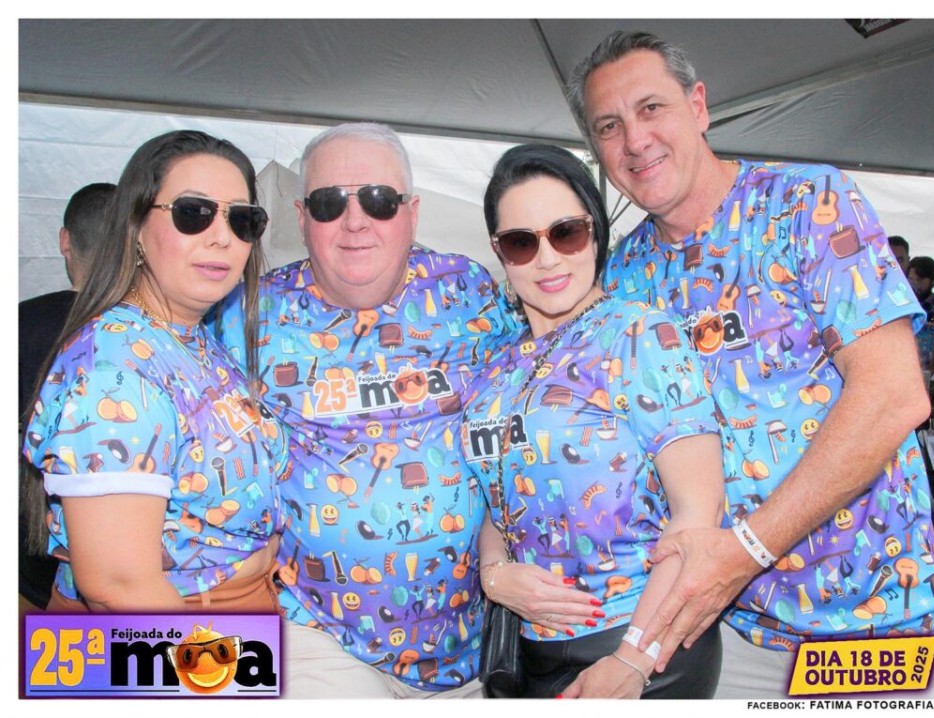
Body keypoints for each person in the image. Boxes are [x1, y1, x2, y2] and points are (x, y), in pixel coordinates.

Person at [569, 30, 934, 697]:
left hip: (874, 624)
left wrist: (745, 552)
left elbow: (894, 395)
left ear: (698, 106)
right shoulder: (621, 278)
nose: (635, 140)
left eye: (651, 108)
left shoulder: (807, 204)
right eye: (608, 126)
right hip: (724, 633)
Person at [215, 122, 516, 698]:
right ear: (302, 217)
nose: (355, 221)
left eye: (378, 200)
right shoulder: (246, 316)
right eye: (329, 203)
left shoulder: (468, 293)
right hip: (317, 636)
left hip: (467, 646)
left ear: (412, 213)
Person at [462, 144, 725, 699]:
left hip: (645, 647)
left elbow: (699, 514)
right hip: (527, 653)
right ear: (500, 252)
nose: (547, 259)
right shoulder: (496, 367)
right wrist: (494, 573)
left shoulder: (640, 334)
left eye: (566, 233)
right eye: (521, 242)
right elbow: (496, 494)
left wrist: (632, 660)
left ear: (596, 232)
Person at [22, 130, 286, 613]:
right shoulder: (115, 368)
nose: (222, 236)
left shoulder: (188, 337)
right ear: (136, 228)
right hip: (176, 635)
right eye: (193, 213)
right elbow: (118, 588)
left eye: (242, 219)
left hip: (237, 612)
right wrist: (213, 661)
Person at [19, 182, 116, 613]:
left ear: (65, 240)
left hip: (28, 559)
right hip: (119, 562)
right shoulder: (153, 336)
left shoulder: (19, 322)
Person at [906, 256, 934, 372]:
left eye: (919, 279)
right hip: (906, 367)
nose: (914, 283)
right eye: (911, 279)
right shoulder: (902, 305)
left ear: (933, 281)